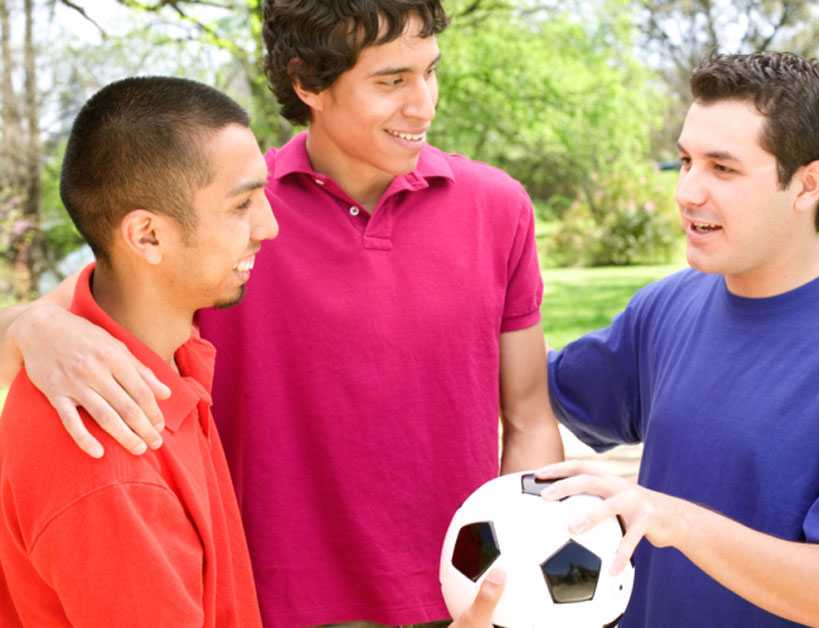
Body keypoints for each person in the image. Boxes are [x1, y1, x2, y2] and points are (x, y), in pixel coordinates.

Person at [0, 1, 563, 626]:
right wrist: (32, 324)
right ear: (307, 82)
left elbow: (530, 416)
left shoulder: (498, 208)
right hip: (269, 605)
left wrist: (527, 572)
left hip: (462, 598)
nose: (424, 104)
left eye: (429, 71)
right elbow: (59, 324)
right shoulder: (224, 218)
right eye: (391, 81)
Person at [537, 52, 819, 627]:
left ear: (806, 185)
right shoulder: (669, 305)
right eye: (685, 160)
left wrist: (675, 521)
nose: (688, 191)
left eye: (722, 168)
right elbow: (533, 385)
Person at [0, 76, 278, 626]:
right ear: (147, 236)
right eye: (242, 204)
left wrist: (31, 321)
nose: (268, 226)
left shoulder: (165, 355)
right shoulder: (112, 466)